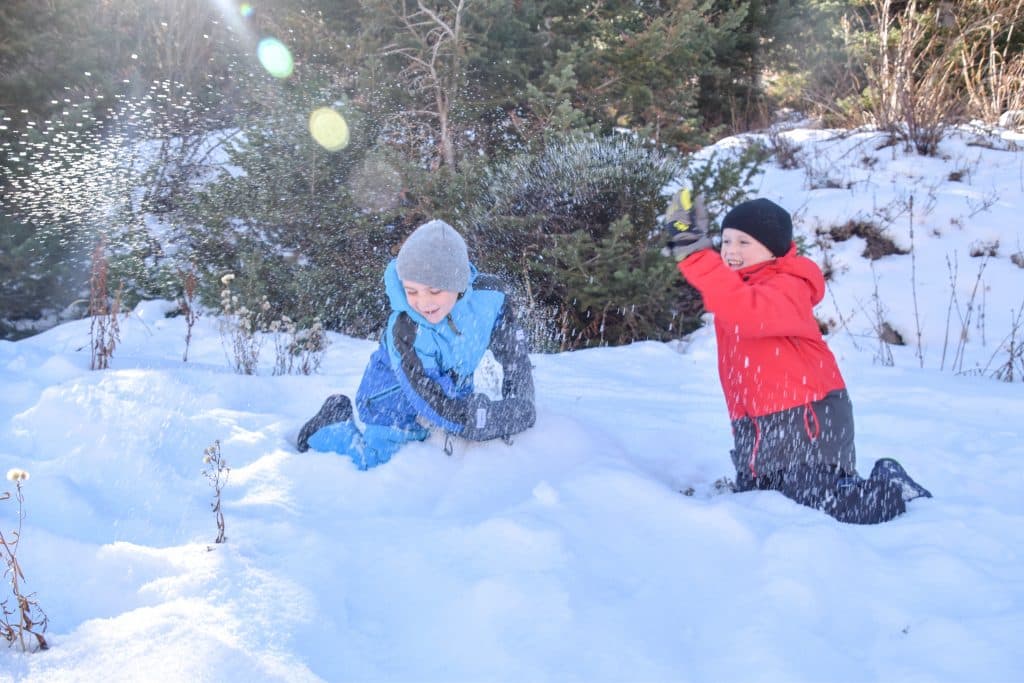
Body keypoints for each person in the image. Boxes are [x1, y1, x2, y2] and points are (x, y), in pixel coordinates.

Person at [662, 191, 931, 524]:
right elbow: (732, 298)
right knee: (759, 499)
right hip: (755, 425)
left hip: (807, 418)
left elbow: (747, 310)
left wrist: (695, 256)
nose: (730, 251)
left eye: (744, 242)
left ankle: (890, 484)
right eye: (726, 241)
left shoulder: (787, 286)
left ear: (772, 248)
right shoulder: (736, 287)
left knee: (824, 504)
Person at [296, 219, 536, 469]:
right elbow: (429, 396)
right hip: (392, 402)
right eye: (412, 291)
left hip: (448, 395)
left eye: (434, 291)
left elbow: (514, 355)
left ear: (458, 281)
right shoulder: (405, 328)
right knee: (374, 463)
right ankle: (331, 426)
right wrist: (479, 419)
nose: (423, 303)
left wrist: (522, 401)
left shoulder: (491, 300)